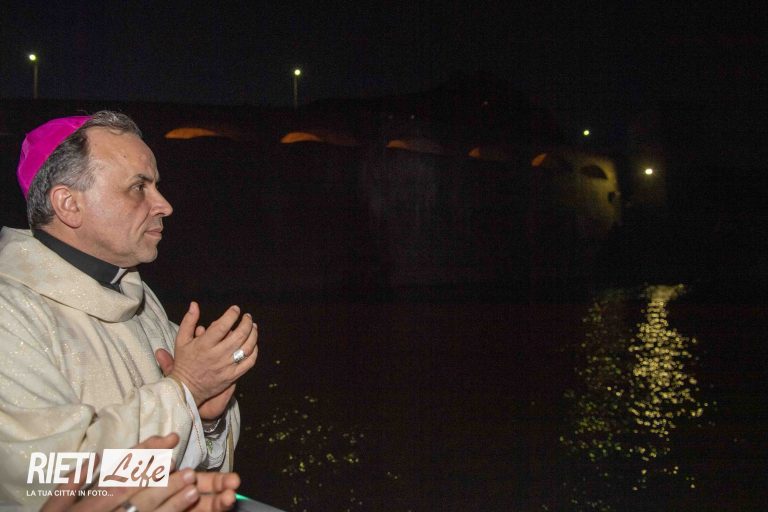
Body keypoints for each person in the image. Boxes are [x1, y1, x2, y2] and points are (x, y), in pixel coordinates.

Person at [0, 112, 258, 508]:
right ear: (69, 204)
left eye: (156, 185)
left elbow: (190, 478)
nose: (164, 205)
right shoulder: (11, 313)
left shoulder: (137, 294)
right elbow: (44, 479)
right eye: (139, 187)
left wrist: (205, 419)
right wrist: (185, 391)